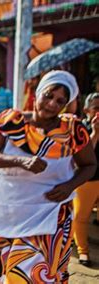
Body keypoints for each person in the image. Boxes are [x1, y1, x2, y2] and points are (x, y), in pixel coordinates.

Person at [0, 70, 97, 283]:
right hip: (10, 208)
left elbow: (89, 165)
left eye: (60, 101)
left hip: (51, 211)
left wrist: (70, 185)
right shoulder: (11, 120)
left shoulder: (72, 130)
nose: (52, 104)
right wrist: (21, 161)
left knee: (35, 273)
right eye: (48, 95)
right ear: (37, 93)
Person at [73, 92, 99, 267]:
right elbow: (82, 153)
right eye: (96, 108)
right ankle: (83, 251)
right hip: (88, 179)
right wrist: (96, 132)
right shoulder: (80, 128)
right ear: (86, 110)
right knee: (80, 217)